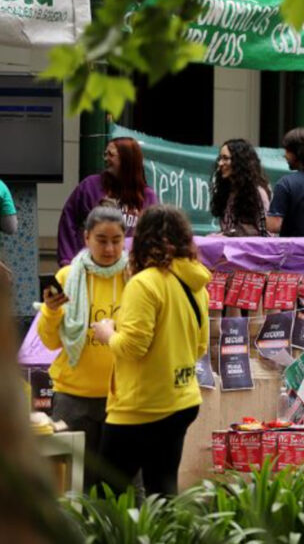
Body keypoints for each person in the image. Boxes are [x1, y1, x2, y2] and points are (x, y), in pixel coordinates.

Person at [92, 205, 210, 495]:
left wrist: (107, 334)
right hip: (182, 400)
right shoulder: (196, 284)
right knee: (163, 493)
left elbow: (132, 347)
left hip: (141, 406)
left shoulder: (144, 284)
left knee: (106, 498)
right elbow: (200, 346)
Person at [37, 204, 129, 489]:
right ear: (86, 237)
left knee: (122, 485)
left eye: (116, 240)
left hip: (122, 398)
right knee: (73, 485)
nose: (109, 249)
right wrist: (51, 311)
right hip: (72, 399)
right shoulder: (67, 277)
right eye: (101, 240)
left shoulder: (134, 278)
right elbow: (50, 341)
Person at [58, 138, 158, 266]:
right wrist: (67, 260)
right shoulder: (90, 186)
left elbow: (154, 236)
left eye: (111, 155)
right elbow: (68, 222)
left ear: (127, 159)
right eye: (105, 154)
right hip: (90, 266)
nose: (106, 159)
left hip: (130, 269)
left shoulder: (147, 196)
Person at [210, 139, 271, 237]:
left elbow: (264, 232)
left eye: (225, 158)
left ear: (240, 162)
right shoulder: (226, 191)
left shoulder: (257, 192)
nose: (220, 163)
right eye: (220, 158)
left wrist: (227, 236)